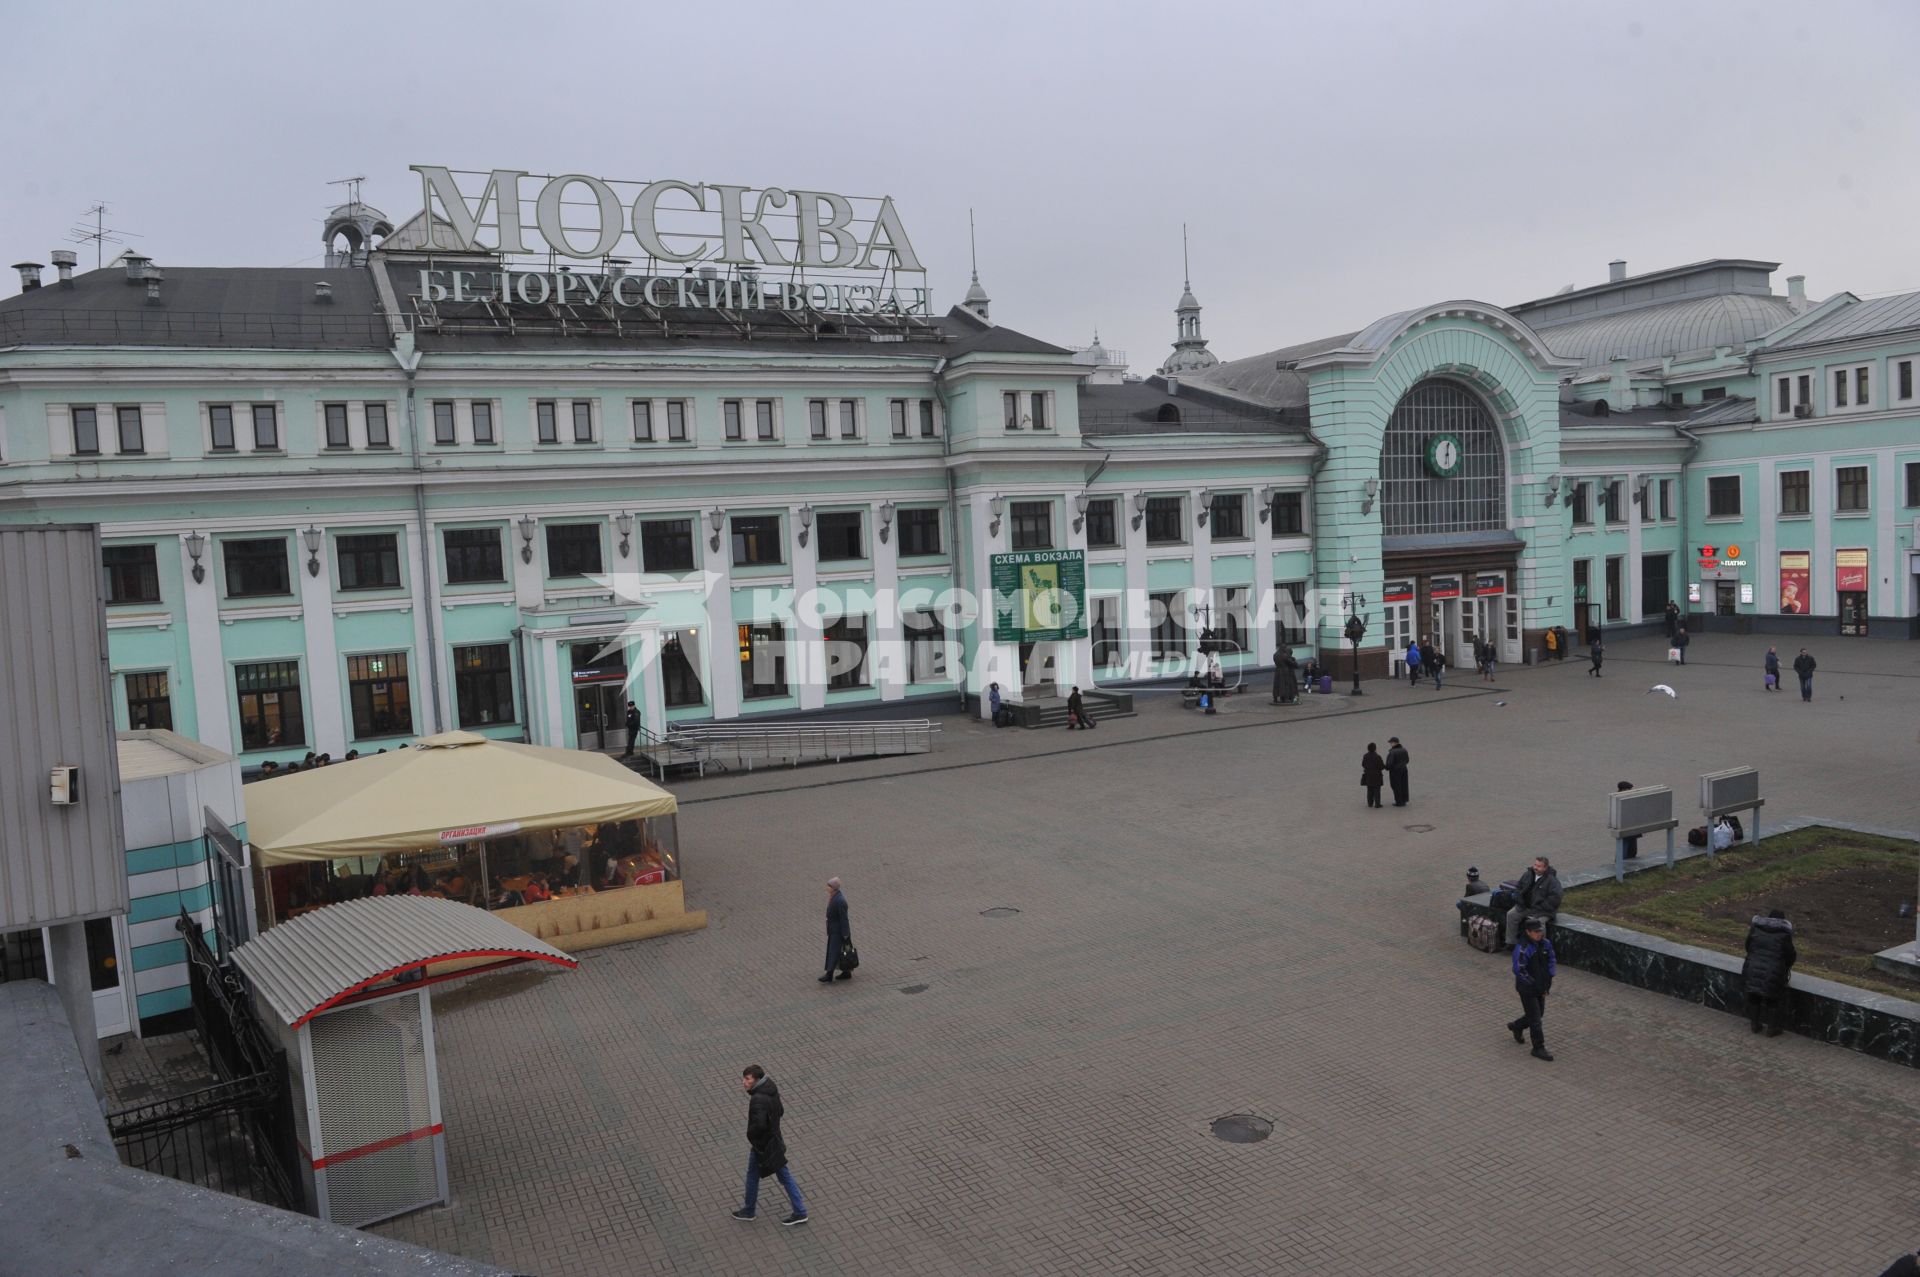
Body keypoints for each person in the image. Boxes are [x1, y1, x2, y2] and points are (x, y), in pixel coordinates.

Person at [731, 1065, 808, 1226]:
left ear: (756, 1080)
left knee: (779, 1175)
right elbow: (780, 1111)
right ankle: (749, 1209)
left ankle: (799, 1212)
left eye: (747, 1079)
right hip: (774, 1140)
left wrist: (750, 1135)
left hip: (764, 1145)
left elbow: (758, 1126)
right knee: (761, 1174)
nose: (743, 1082)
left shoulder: (758, 1099)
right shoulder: (770, 1088)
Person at [1505, 916, 1557, 1061]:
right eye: (1536, 932)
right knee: (1535, 1019)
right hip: (1527, 988)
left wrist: (1549, 977)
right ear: (1528, 932)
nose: (1539, 934)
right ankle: (1538, 1048)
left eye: (1540, 931)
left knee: (1538, 1014)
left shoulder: (1545, 944)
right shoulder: (1523, 948)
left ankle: (1517, 1026)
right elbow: (1519, 970)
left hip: (1541, 987)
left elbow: (1551, 959)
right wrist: (1533, 983)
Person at [1741, 908, 1797, 1037]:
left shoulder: (1756, 929)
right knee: (1773, 998)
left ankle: (1755, 1025)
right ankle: (1772, 1029)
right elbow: (1791, 955)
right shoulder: (1784, 935)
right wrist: (1785, 967)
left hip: (1753, 966)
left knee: (1754, 995)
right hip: (1774, 970)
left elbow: (1748, 946)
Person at [1504, 856, 1563, 948]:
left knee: (1538, 923)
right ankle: (1511, 943)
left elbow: (1556, 898)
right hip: (1525, 907)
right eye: (1535, 864)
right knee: (1511, 915)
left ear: (1545, 868)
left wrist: (1541, 907)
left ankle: (1541, 948)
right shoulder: (1528, 874)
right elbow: (1518, 888)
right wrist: (1519, 899)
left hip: (1542, 911)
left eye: (1539, 866)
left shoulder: (1552, 881)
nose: (1535, 867)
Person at [821, 877, 852, 983]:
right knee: (842, 951)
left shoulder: (840, 901)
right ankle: (846, 971)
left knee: (834, 952)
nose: (827, 887)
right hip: (834, 930)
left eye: (829, 886)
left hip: (838, 932)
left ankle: (829, 974)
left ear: (834, 888)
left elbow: (844, 919)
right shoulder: (834, 897)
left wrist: (845, 934)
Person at [1615, 780, 1640, 859]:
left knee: (1632, 852)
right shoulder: (1617, 800)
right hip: (1624, 832)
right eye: (1628, 789)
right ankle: (1618, 868)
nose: (1630, 791)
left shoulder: (1631, 799)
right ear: (1622, 790)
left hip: (1632, 831)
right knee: (1622, 854)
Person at [1385, 736, 1411, 806]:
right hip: (1404, 770)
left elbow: (1389, 763)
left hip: (1395, 771)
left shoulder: (1392, 752)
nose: (1390, 744)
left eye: (1391, 742)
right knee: (1404, 785)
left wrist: (1386, 768)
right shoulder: (1404, 750)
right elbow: (1407, 760)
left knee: (1396, 786)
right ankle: (1404, 800)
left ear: (1394, 743)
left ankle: (1399, 802)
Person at [1361, 743, 1385, 808]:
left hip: (1368, 776)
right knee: (1377, 790)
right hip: (1377, 776)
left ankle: (1370, 803)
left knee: (1369, 790)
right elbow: (1382, 766)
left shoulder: (1365, 756)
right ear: (1375, 748)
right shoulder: (1377, 757)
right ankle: (1377, 804)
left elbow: (1363, 764)